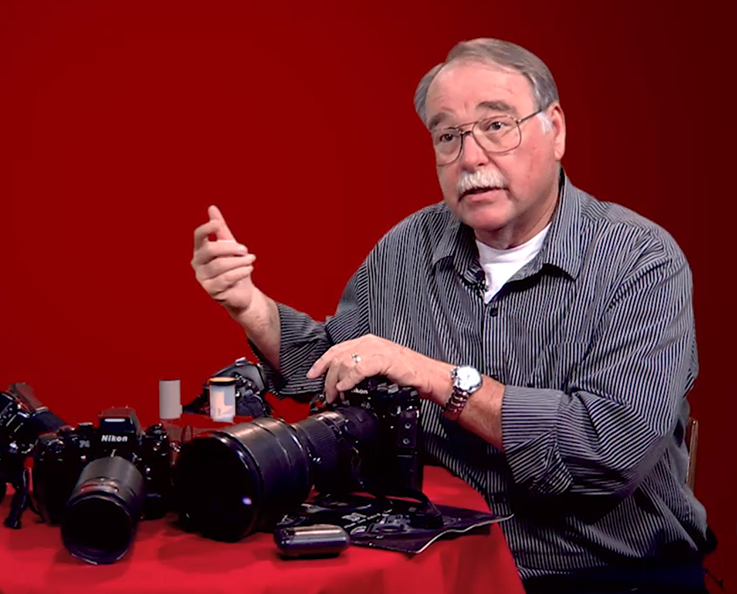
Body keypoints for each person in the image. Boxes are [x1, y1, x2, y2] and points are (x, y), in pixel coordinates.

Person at [191, 38, 711, 593]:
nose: (471, 157)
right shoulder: (406, 248)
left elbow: (606, 451)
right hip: (442, 569)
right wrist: (250, 305)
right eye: (448, 136)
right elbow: (334, 364)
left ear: (555, 129)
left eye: (496, 126)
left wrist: (439, 379)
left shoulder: (640, 260)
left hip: (601, 573)